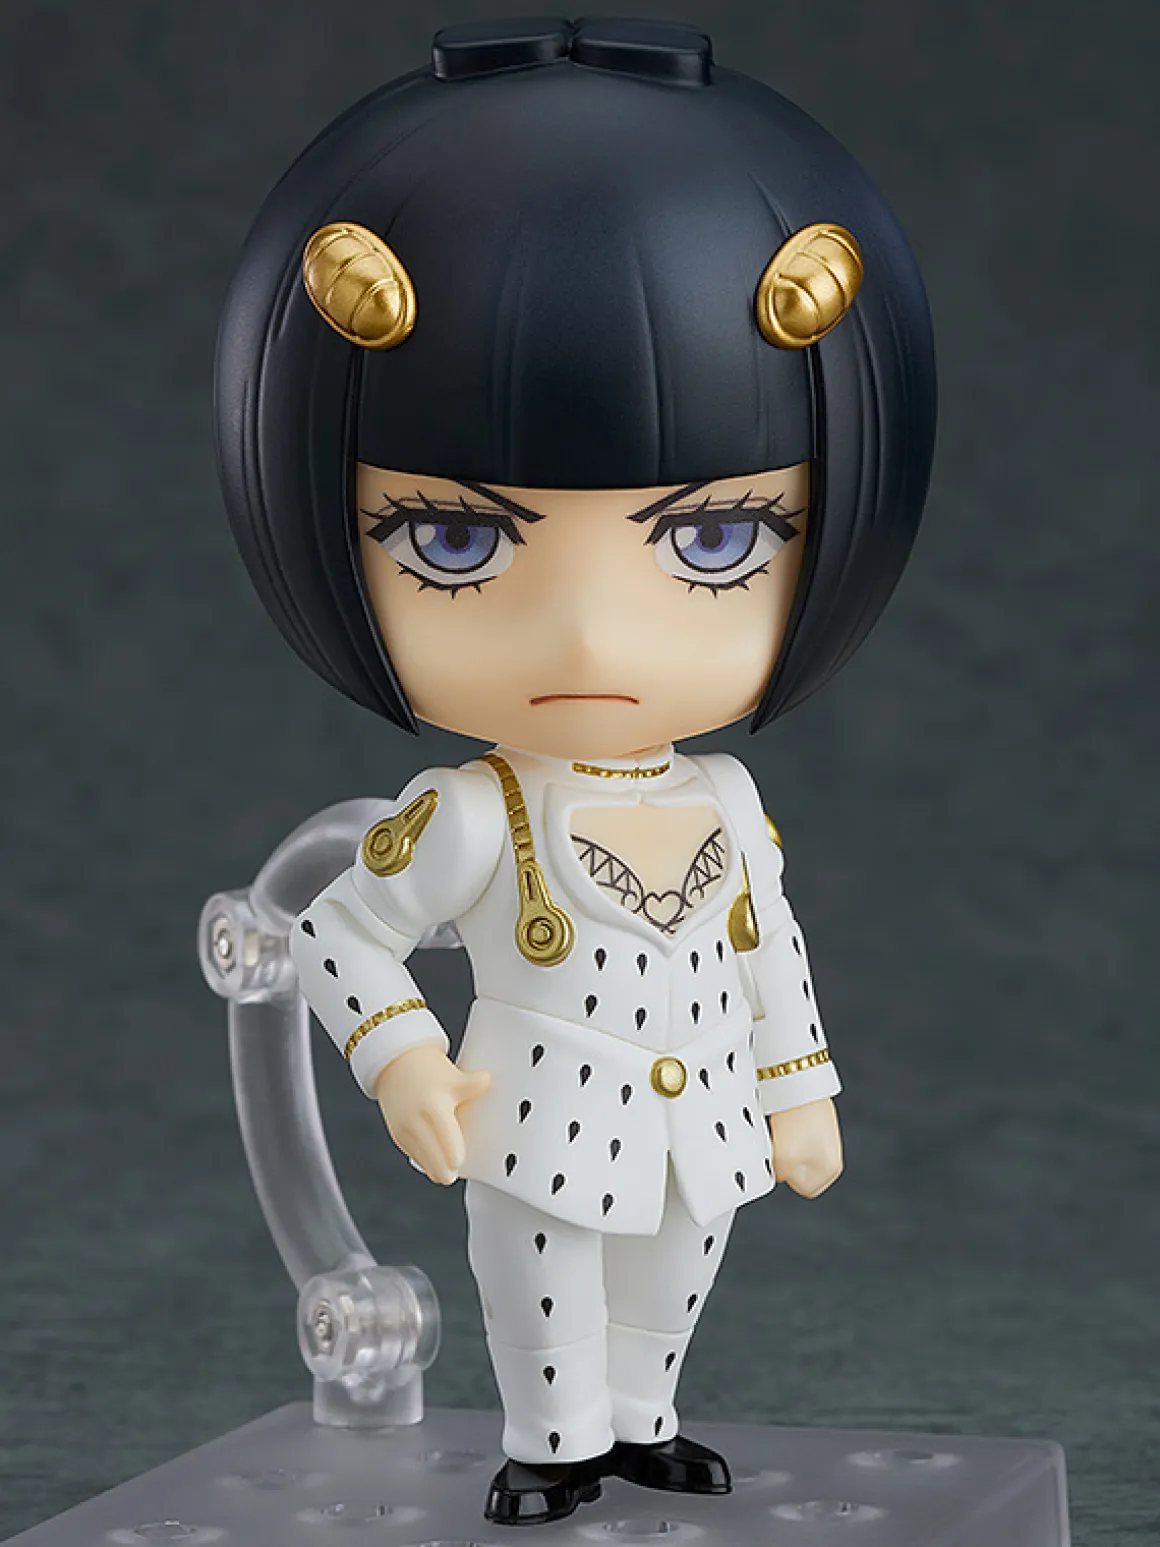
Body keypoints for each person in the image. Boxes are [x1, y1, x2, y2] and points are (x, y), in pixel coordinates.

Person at [214, 16, 936, 1527]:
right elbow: (338, 934)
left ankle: (644, 1422)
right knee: (540, 1285)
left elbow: (768, 951)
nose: (594, 635)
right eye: (456, 539)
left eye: (713, 538)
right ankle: (553, 1442)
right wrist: (406, 1061)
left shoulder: (723, 801)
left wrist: (800, 1089)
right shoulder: (476, 811)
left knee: (673, 1277)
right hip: (537, 1117)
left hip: (703, 1118)